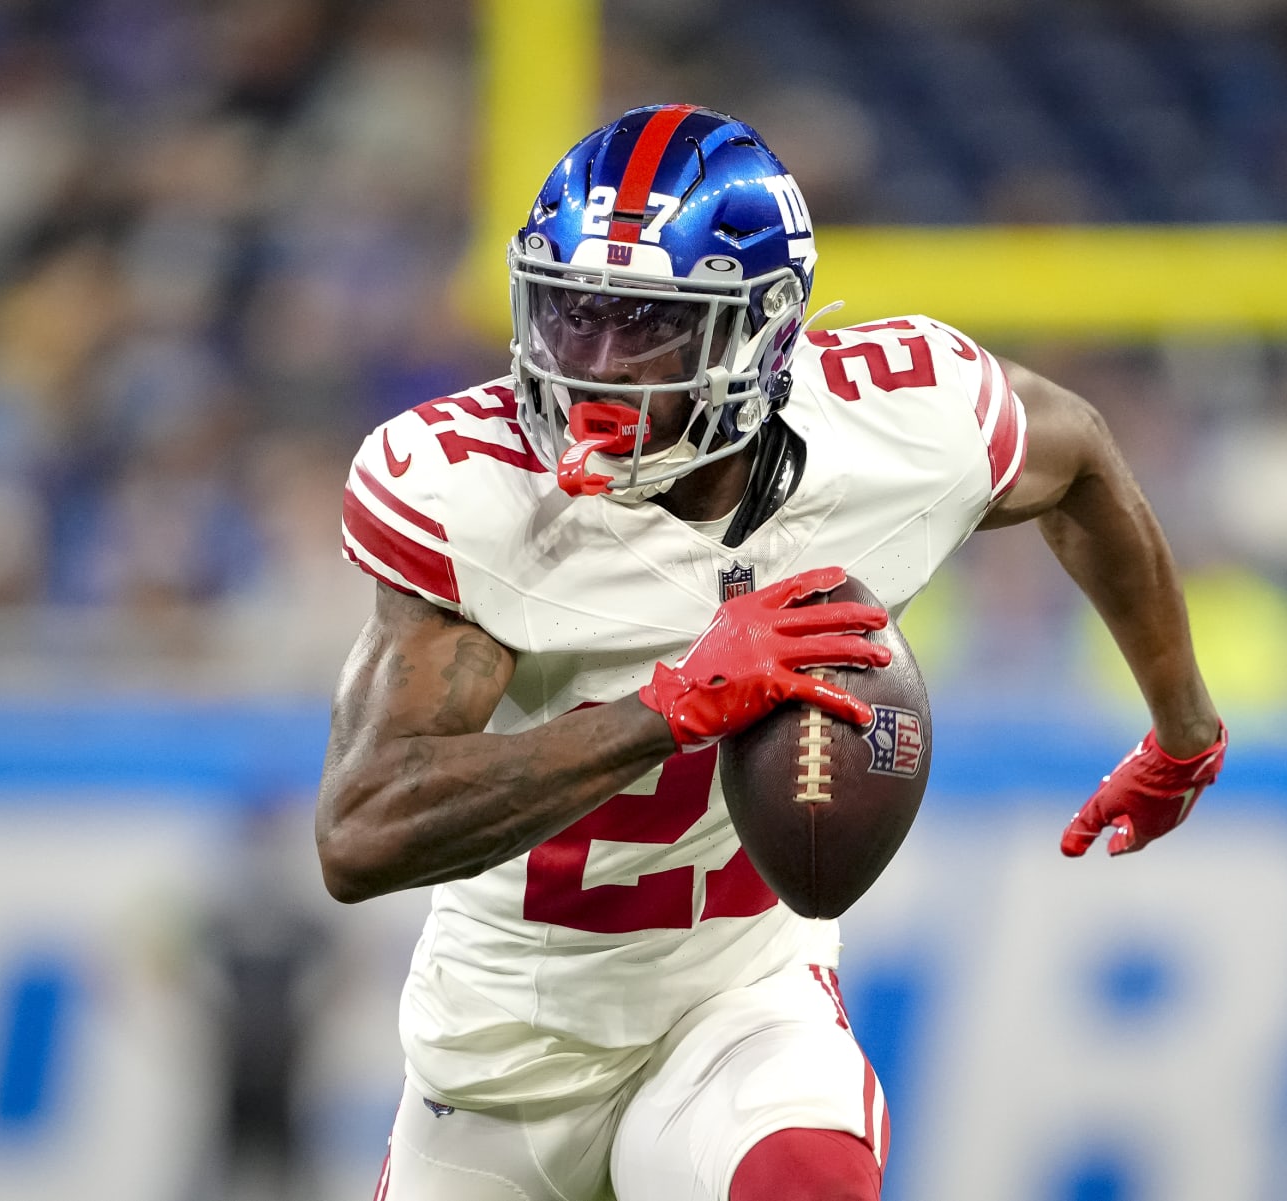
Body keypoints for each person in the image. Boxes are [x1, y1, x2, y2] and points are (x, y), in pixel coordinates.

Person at [316, 104, 1227, 1201]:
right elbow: (360, 832)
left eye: (645, 324)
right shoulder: (477, 495)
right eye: (572, 315)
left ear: (759, 331)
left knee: (802, 1174)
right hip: (507, 1048)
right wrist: (674, 707)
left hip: (736, 996)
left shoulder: (895, 428)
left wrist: (1183, 731)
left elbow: (1077, 456)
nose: (594, 367)